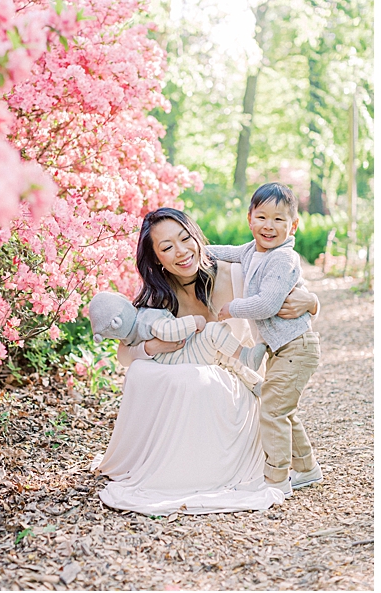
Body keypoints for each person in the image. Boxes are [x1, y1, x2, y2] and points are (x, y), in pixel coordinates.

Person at [93, 207, 319, 515]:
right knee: (156, 372)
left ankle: (235, 466)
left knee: (200, 380)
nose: (181, 252)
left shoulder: (238, 272)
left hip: (240, 378)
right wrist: (157, 344)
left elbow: (291, 302)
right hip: (194, 391)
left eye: (185, 239)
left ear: (197, 237)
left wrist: (314, 302)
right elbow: (125, 354)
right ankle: (180, 466)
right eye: (167, 247)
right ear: (156, 258)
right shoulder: (159, 293)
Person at [207, 182, 322, 497]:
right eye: (262, 217)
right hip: (283, 351)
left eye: (279, 219)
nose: (269, 226)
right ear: (249, 218)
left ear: (293, 225)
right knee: (282, 409)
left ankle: (276, 479)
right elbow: (224, 252)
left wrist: (231, 308)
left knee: (272, 410)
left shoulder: (282, 259)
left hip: (297, 348)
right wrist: (195, 248)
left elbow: (267, 304)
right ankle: (307, 468)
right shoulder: (251, 250)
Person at [87, 291, 265, 395]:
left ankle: (255, 384)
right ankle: (246, 356)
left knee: (224, 358)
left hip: (181, 358)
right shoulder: (146, 321)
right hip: (187, 351)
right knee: (213, 332)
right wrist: (193, 321)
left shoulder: (131, 334)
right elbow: (168, 330)